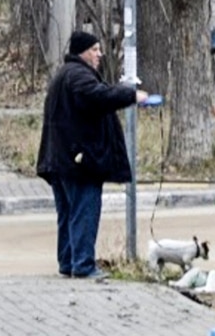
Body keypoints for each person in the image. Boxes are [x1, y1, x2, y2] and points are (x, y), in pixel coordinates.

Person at [36, 30, 147, 280]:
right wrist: (129, 94)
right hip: (79, 161)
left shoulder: (65, 75)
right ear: (81, 52)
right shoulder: (78, 76)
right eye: (95, 49)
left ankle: (68, 262)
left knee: (68, 215)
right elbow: (99, 97)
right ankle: (83, 265)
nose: (100, 54)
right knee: (84, 212)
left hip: (62, 159)